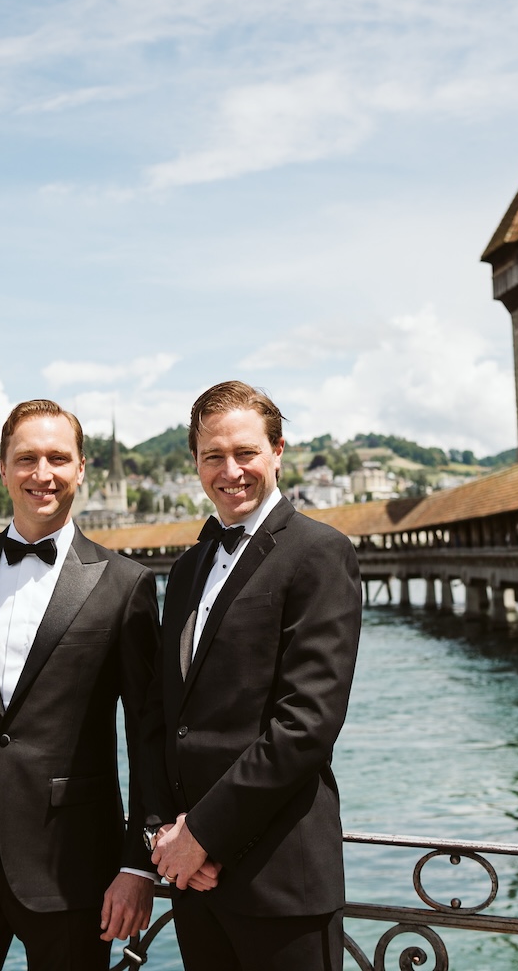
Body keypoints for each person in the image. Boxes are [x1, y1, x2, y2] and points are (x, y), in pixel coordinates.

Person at [0, 400, 159, 971]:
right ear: (2, 468)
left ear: (81, 468)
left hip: (72, 861)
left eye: (57, 458)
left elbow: (148, 733)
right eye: (26, 458)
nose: (42, 474)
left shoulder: (126, 585)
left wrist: (137, 863)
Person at [143, 381, 362, 971]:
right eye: (213, 456)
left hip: (280, 880)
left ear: (278, 451)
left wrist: (202, 835)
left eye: (246, 452)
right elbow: (166, 717)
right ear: (195, 462)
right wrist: (162, 834)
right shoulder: (186, 569)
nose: (230, 471)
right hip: (194, 882)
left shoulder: (319, 553)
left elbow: (307, 725)